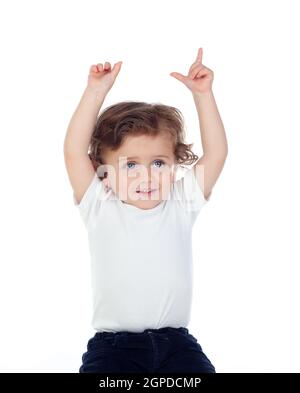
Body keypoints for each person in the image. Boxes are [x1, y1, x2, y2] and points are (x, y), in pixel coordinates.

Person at [63, 47, 228, 373]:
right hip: (114, 349)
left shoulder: (181, 203)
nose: (147, 175)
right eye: (131, 165)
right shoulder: (99, 205)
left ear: (175, 164)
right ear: (103, 172)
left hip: (177, 346)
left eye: (158, 162)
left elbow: (217, 154)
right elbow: (72, 151)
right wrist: (96, 91)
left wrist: (203, 96)